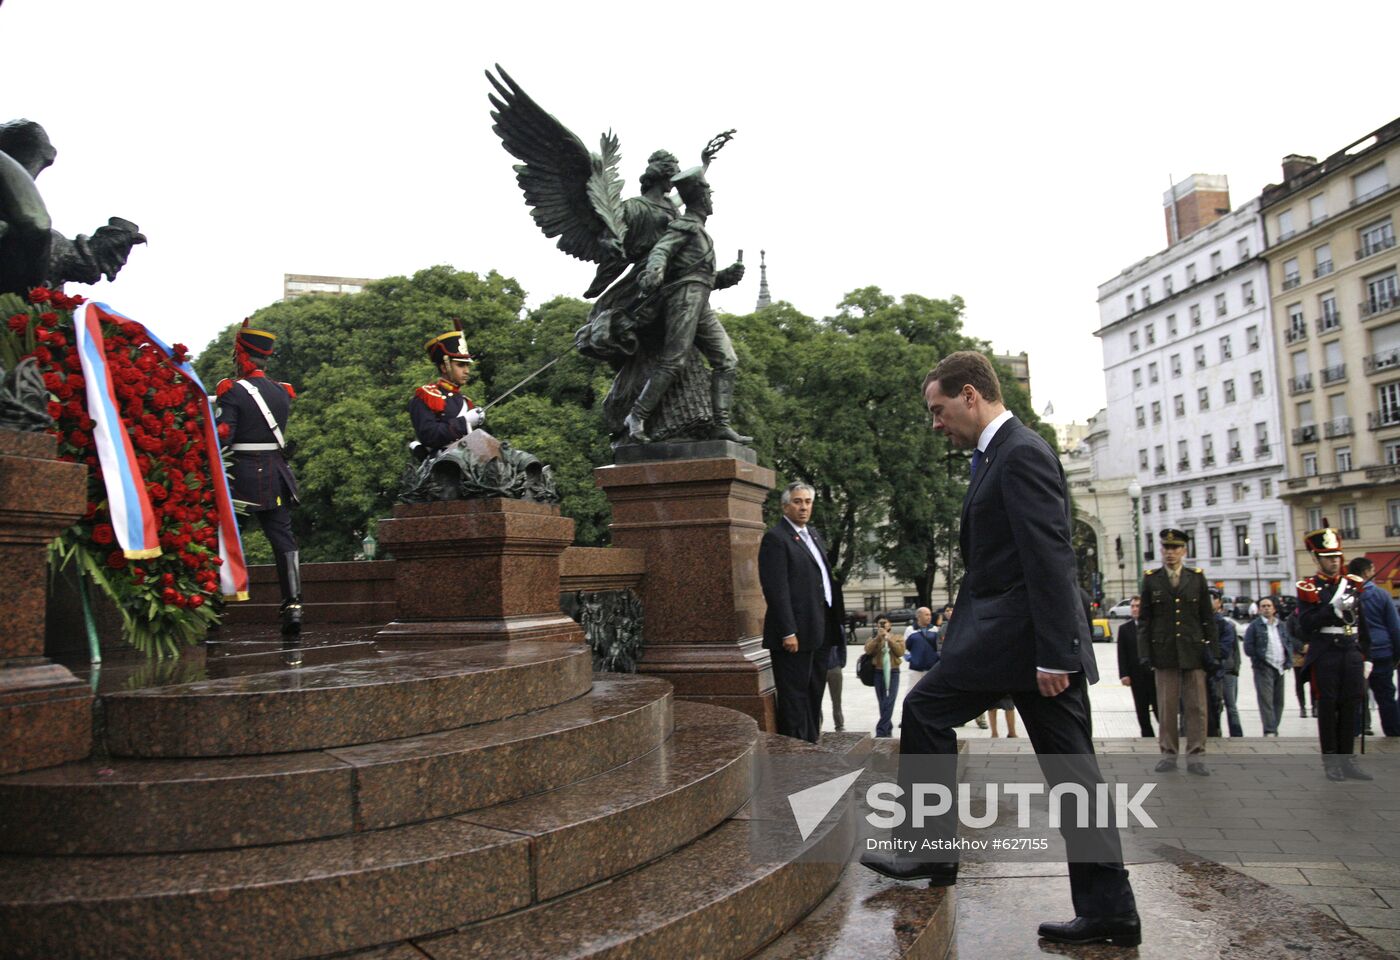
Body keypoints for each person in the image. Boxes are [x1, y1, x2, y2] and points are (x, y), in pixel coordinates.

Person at [861, 351, 1138, 947]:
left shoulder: (1021, 453)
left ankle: (932, 853)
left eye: (938, 410)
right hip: (1014, 642)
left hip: (1028, 648)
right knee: (1074, 778)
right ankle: (1110, 910)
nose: (935, 423)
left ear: (969, 395)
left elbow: (1051, 557)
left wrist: (1059, 654)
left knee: (925, 711)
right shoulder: (995, 455)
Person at [627, 166, 749, 444]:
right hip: (683, 299)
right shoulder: (686, 225)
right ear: (699, 198)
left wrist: (725, 278)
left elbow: (700, 276)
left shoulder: (703, 232)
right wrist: (655, 270)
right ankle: (636, 416)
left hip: (700, 300)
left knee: (727, 360)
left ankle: (721, 424)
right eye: (708, 194)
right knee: (674, 360)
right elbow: (661, 249)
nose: (711, 200)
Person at [216, 321, 301, 634]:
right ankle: (293, 604)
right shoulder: (281, 392)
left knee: (227, 535)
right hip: (275, 473)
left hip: (243, 475)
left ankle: (214, 603)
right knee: (282, 538)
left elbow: (226, 438)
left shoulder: (232, 390)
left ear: (242, 355)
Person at [758, 481, 844, 743]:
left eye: (807, 502)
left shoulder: (813, 534)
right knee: (794, 696)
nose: (803, 507)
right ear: (785, 506)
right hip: (795, 634)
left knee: (814, 691)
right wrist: (788, 630)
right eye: (797, 501)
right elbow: (776, 589)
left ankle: (811, 742)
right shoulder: (776, 538)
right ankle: (793, 749)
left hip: (820, 629)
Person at [1294, 527, 1371, 780]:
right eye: (1328, 557)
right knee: (1328, 706)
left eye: (1337, 556)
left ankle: (1347, 759)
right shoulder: (1309, 587)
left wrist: (1367, 655)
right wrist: (1331, 608)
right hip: (1326, 652)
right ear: (1317, 559)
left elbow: (1363, 623)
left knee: (1351, 705)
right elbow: (1306, 624)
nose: (1334, 561)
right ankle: (1331, 761)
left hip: (1350, 650)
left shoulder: (1352, 585)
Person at [1138, 529, 1215, 775]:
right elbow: (1145, 621)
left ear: (1184, 551)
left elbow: (1207, 618)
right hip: (1164, 651)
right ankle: (1168, 754)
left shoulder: (1196, 578)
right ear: (1161, 551)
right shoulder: (1151, 579)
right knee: (1167, 706)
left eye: (1175, 548)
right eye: (1166, 548)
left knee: (1196, 707)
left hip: (1193, 650)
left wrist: (1212, 651)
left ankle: (1196, 756)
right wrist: (1145, 652)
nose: (1170, 553)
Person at [409, 326, 485, 454]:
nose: (466, 371)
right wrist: (464, 422)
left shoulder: (466, 402)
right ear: (445, 367)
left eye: (467, 365)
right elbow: (429, 436)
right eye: (461, 365)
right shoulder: (427, 395)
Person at [1349, 557, 1400, 736]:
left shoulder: (1347, 595)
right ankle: (1393, 732)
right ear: (1366, 572)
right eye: (1372, 570)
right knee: (1386, 696)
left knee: (1354, 696)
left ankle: (1353, 732)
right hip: (1381, 650)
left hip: (1356, 652)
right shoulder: (1380, 594)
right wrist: (1397, 652)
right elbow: (1394, 626)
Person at [1243, 597, 1291, 736]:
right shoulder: (1254, 626)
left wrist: (1288, 660)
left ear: (1274, 608)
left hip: (1280, 666)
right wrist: (1258, 659)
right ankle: (1270, 729)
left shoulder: (1281, 624)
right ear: (1259, 609)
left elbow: (1287, 641)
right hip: (1264, 666)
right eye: (1263, 606)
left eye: (1269, 605)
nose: (1266, 608)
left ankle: (1274, 726)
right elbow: (1248, 647)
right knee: (1266, 700)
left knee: (1279, 701)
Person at [1116, 596, 1156, 738]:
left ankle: (1166, 736)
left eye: (1137, 606)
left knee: (1159, 708)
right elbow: (1122, 654)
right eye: (1132, 606)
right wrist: (1124, 674)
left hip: (1153, 675)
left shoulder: (1152, 626)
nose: (1134, 609)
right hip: (1136, 676)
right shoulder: (1125, 629)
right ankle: (1147, 737)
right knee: (1141, 710)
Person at [1209, 591, 1244, 738]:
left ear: (1219, 603)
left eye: (1212, 599)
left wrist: (1235, 667)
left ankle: (1236, 734)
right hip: (1212, 669)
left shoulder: (1226, 625)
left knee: (1231, 706)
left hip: (1227, 670)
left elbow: (1234, 649)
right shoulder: (1202, 623)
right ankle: (1216, 732)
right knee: (1215, 705)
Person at [866, 618, 905, 737]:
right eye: (880, 623)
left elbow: (900, 652)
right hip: (878, 672)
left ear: (890, 625)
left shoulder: (897, 637)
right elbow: (868, 650)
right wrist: (878, 638)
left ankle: (881, 730)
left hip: (893, 672)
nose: (883, 625)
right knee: (882, 701)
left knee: (889, 701)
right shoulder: (874, 638)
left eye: (885, 623)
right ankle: (888, 727)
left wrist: (888, 639)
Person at [904, 607, 941, 685]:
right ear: (919, 616)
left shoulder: (934, 629)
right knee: (912, 690)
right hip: (916, 668)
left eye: (930, 615)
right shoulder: (910, 630)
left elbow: (938, 646)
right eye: (926, 615)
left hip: (931, 667)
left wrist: (937, 658)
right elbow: (905, 647)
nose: (929, 617)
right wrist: (911, 659)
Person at [823, 637, 847, 732]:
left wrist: (841, 663)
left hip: (834, 667)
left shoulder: (837, 627)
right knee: (817, 699)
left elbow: (842, 646)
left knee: (837, 700)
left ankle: (839, 724)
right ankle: (817, 724)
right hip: (819, 668)